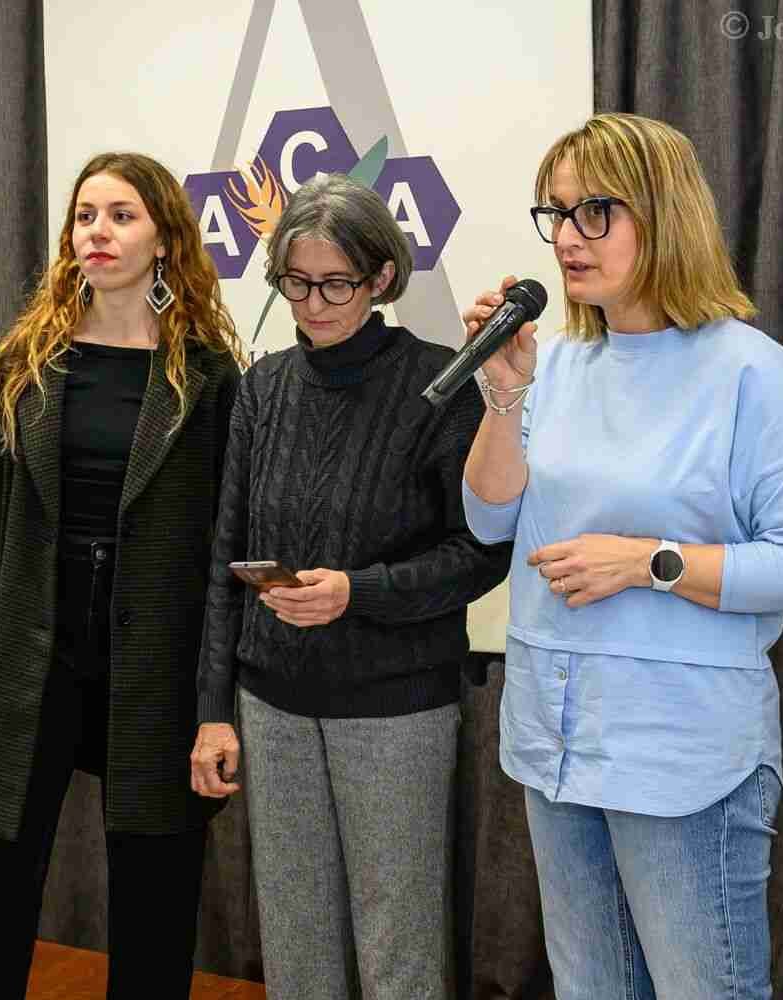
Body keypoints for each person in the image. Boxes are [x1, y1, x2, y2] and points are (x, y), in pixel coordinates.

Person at [460, 112, 783, 1000]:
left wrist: (651, 563)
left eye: (593, 212)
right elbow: (489, 522)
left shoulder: (752, 372)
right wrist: (502, 396)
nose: (566, 238)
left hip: (682, 754)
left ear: (665, 214)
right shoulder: (553, 367)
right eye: (554, 214)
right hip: (553, 742)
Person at [0, 152, 245, 1000]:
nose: (96, 232)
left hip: (155, 661)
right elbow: (8, 518)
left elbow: (221, 535)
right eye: (84, 216)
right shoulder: (23, 365)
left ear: (163, 238)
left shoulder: (209, 376)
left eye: (121, 215)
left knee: (156, 877)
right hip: (45, 646)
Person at [190, 172, 513, 1000]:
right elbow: (227, 549)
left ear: (381, 279)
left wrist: (356, 592)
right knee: (296, 936)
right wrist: (213, 711)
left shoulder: (441, 382)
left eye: (336, 283)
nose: (314, 302)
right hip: (273, 701)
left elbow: (480, 553)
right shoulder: (262, 387)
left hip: (397, 705)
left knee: (396, 938)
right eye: (295, 283)